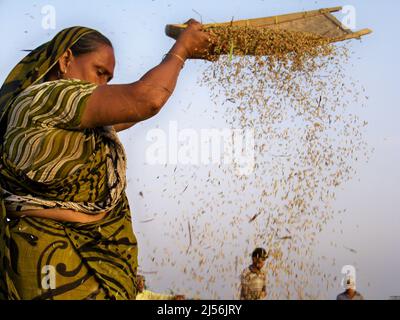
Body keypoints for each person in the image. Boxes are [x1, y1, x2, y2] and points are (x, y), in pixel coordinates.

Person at [0, 21, 212, 300]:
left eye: (108, 80)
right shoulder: (46, 98)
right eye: (99, 72)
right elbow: (146, 99)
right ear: (65, 60)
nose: (101, 85)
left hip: (62, 257)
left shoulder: (70, 123)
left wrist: (176, 58)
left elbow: (131, 111)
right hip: (57, 261)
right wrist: (181, 51)